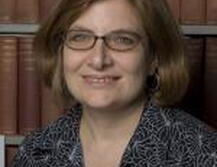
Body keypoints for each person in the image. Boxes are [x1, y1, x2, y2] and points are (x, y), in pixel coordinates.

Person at [12, 0, 217, 166]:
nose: (98, 60)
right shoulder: (35, 152)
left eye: (122, 40)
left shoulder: (204, 153)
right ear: (60, 52)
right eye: (80, 37)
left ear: (155, 57)